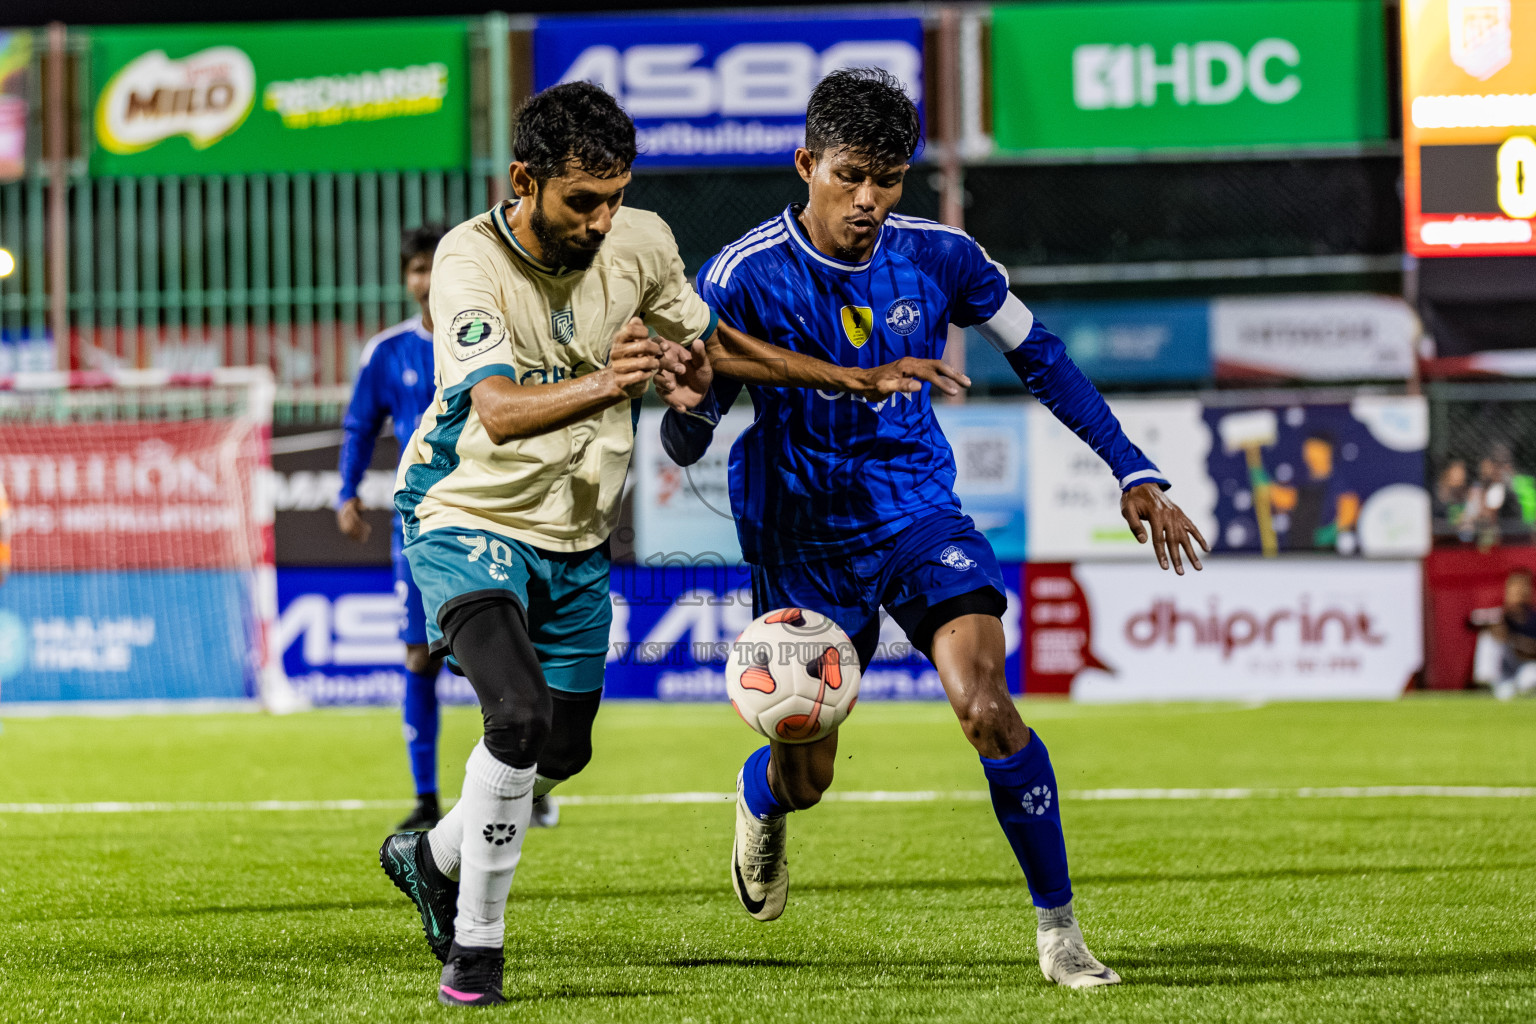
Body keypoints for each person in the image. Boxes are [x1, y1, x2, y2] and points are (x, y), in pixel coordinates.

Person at [376, 81, 959, 1007]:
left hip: (575, 533)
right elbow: (496, 408)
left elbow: (714, 342)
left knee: (561, 751)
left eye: (617, 196)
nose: (605, 220)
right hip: (466, 513)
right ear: (524, 181)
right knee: (516, 718)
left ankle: (431, 854)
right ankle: (476, 949)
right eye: (583, 201)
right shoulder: (467, 262)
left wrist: (848, 377)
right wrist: (613, 386)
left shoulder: (640, 240)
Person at [657, 68, 1208, 990]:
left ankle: (1060, 931)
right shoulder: (740, 276)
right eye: (851, 176)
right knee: (809, 776)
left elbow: (1041, 355)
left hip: (918, 513)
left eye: (890, 177)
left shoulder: (943, 255)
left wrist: (1133, 467)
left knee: (987, 709)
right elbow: (689, 430)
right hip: (803, 538)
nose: (870, 199)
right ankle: (762, 800)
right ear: (807, 164)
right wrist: (684, 405)